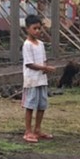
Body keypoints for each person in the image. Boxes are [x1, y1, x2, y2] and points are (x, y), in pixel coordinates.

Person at [21, 14, 56, 144]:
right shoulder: (27, 45)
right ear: (27, 29)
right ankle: (28, 131)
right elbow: (29, 64)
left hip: (41, 79)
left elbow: (44, 60)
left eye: (39, 28)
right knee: (30, 105)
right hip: (31, 80)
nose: (37, 31)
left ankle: (37, 129)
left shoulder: (41, 44)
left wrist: (46, 68)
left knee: (42, 105)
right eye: (34, 28)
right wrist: (45, 68)